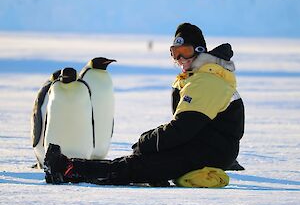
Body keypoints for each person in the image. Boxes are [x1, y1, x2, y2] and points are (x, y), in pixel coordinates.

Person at [44, 23, 245, 187]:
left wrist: (147, 142)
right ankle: (73, 167)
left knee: (138, 166)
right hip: (206, 146)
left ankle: (69, 168)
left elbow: (183, 129)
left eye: (186, 51)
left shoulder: (206, 82)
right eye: (175, 53)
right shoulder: (199, 78)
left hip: (210, 151)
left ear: (200, 51)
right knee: (144, 164)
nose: (180, 59)